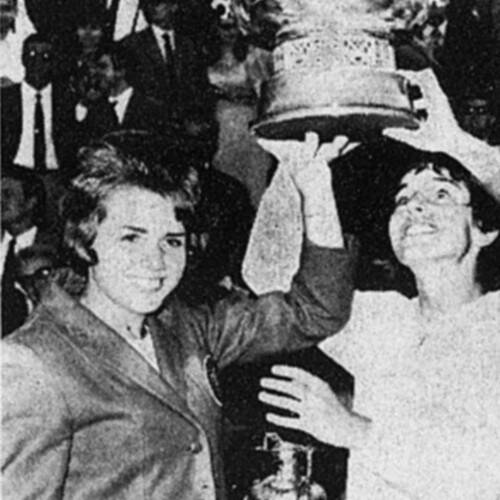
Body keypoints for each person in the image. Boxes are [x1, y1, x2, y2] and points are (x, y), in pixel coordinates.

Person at [1, 132, 355, 499]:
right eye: (131, 238)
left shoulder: (185, 325)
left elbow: (315, 310)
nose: (155, 262)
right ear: (85, 238)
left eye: (172, 241)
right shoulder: (32, 362)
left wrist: (314, 188)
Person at [257, 71, 500, 499]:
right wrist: (300, 176)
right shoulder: (385, 320)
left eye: (441, 194)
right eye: (403, 198)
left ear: (485, 230)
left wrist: (458, 146)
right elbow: (269, 272)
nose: (415, 206)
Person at [120, 0, 213, 126]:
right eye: (150, 3)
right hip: (148, 123)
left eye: (159, 3)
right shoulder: (132, 44)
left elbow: (197, 86)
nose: (153, 7)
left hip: (186, 126)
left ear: (174, 6)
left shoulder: (188, 45)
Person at [1, 33, 79, 171]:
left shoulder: (65, 99)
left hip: (55, 173)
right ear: (23, 59)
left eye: (46, 57)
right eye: (32, 55)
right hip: (13, 172)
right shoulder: (5, 98)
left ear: (54, 61)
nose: (38, 62)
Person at [76, 42, 171, 141]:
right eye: (96, 67)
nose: (96, 72)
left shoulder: (152, 109)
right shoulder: (94, 112)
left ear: (120, 71)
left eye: (103, 67)